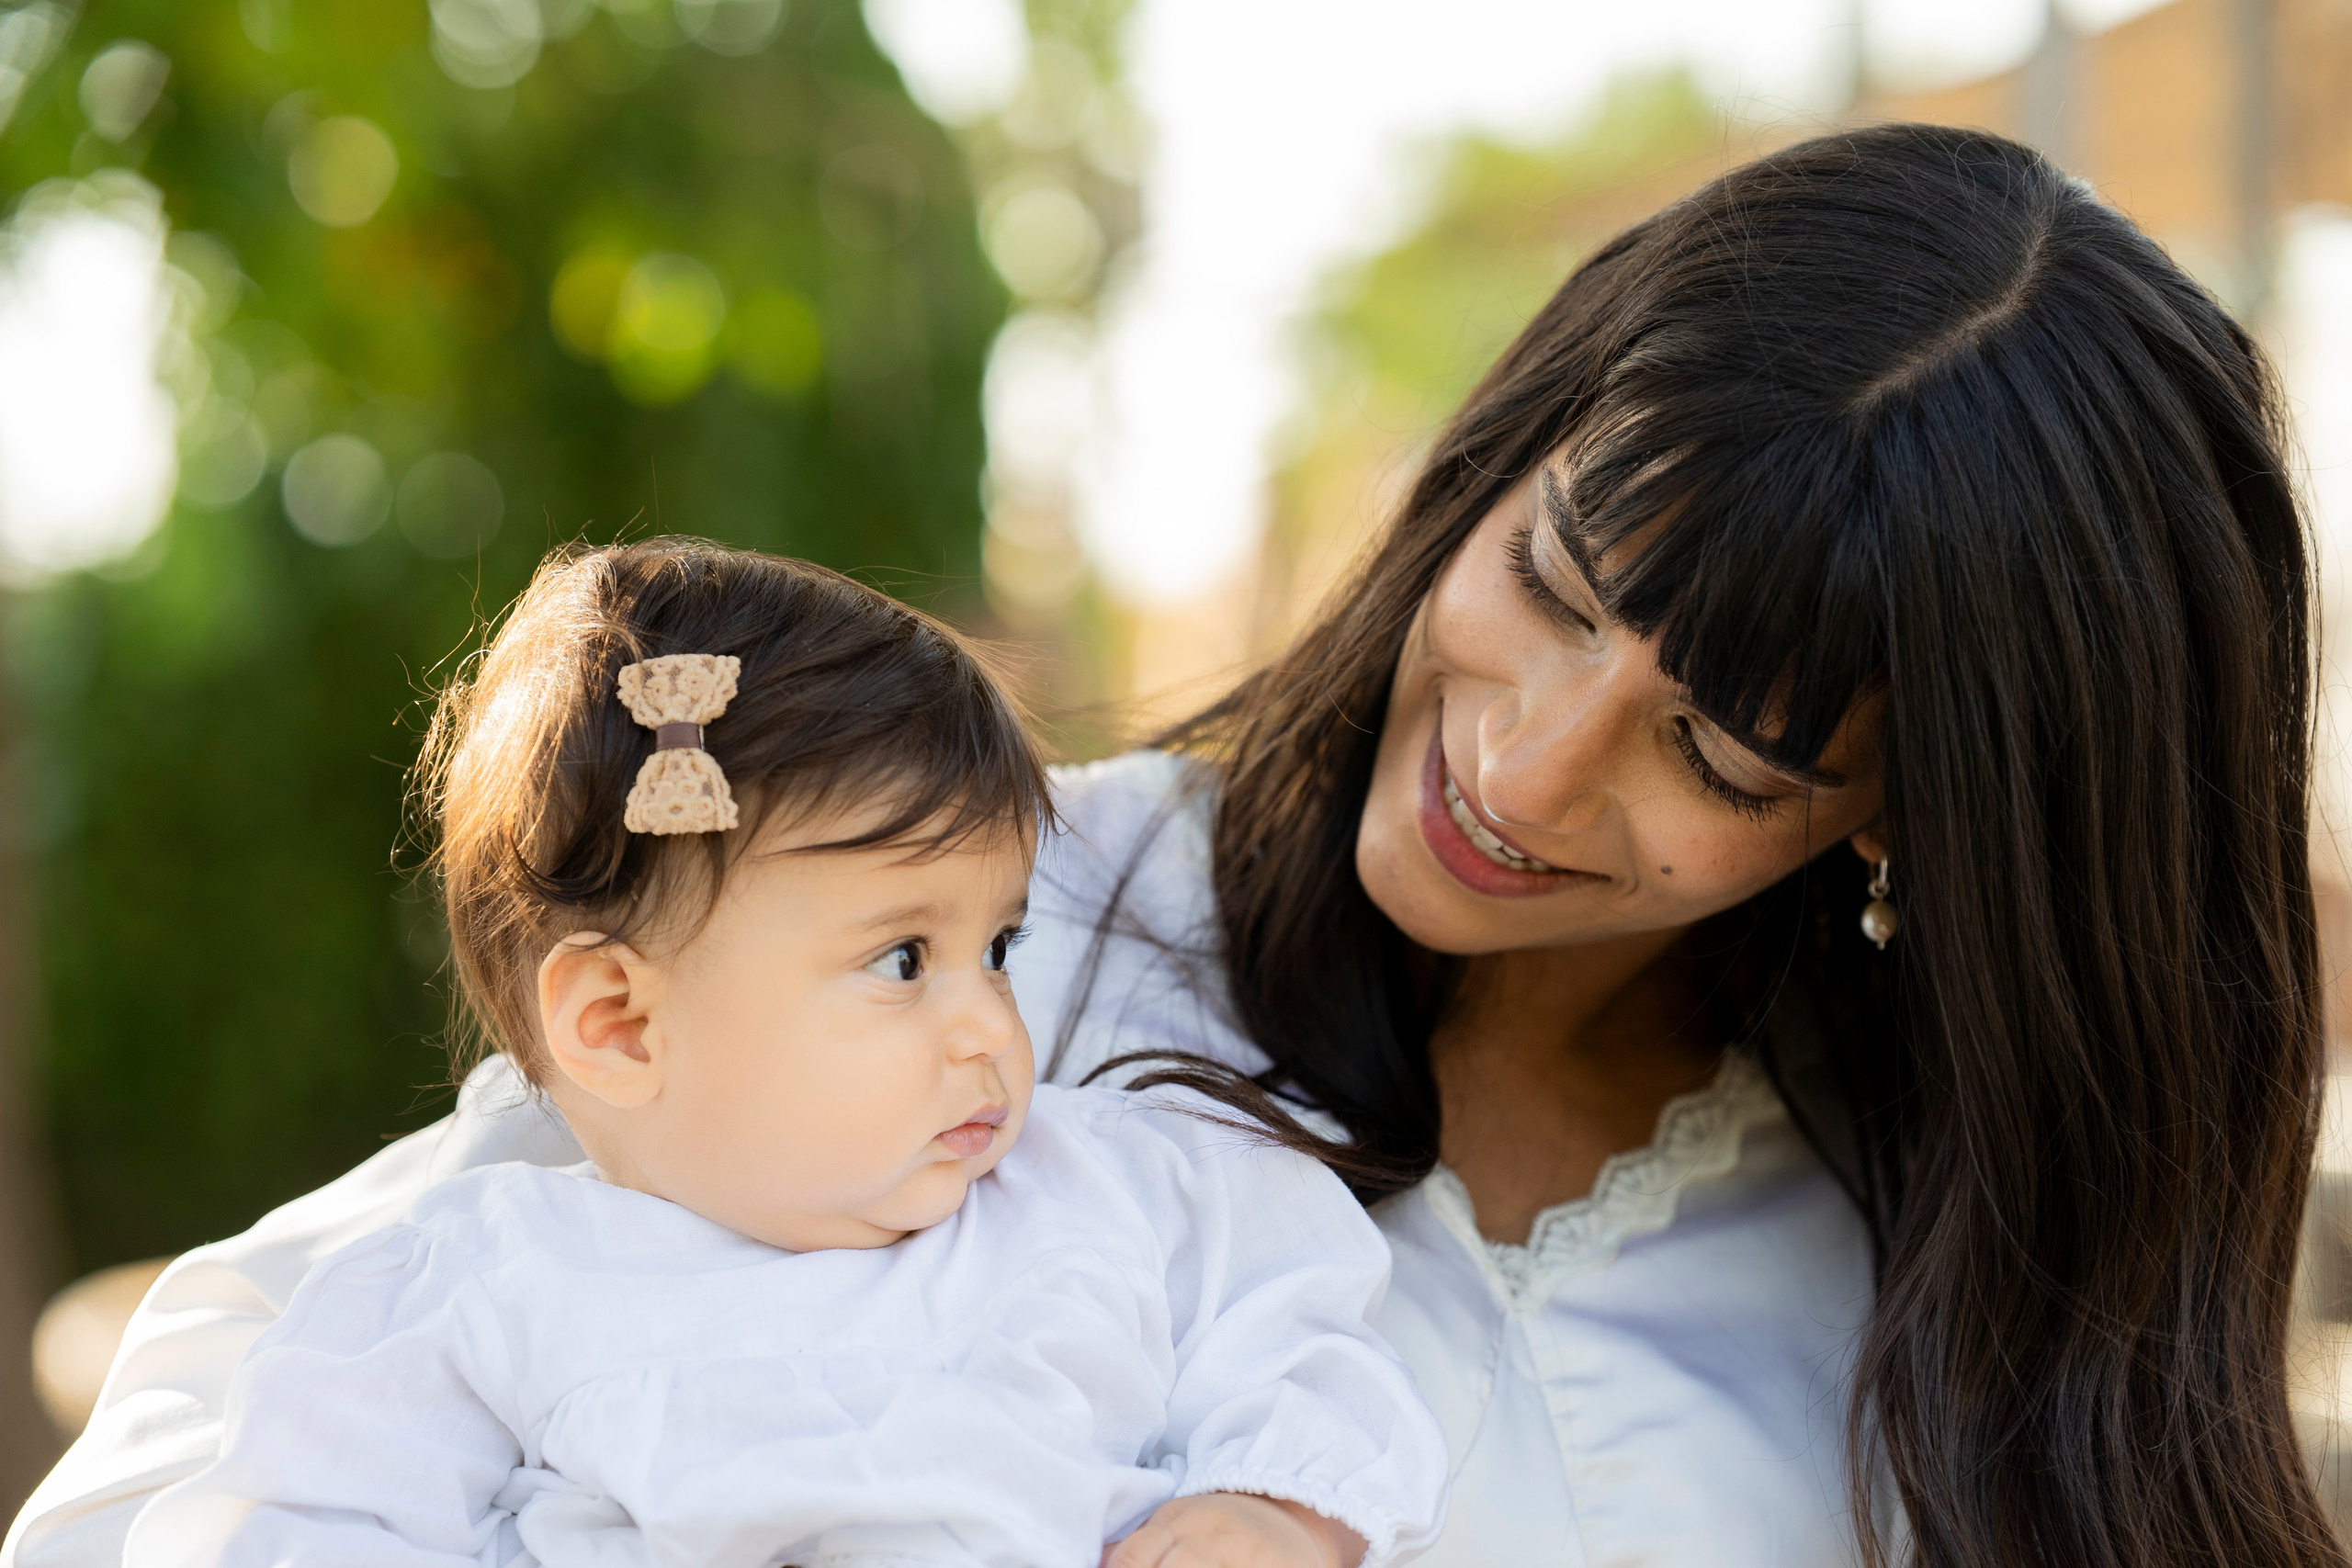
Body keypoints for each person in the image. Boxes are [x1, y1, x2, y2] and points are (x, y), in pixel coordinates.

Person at [6, 120, 2339, 1567]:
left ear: (1920, 815)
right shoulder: (987, 939)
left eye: (1715, 751)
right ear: (1499, 450)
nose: (1526, 768)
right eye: (1548, 581)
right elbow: (230, 1429)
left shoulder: (1947, 1265)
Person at [117, 544, 1448, 1568]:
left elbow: (1302, 1320)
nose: (992, 1022)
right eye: (902, 961)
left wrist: (1272, 1508)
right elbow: (304, 1525)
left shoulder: (1111, 1187)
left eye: (1000, 945)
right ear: (620, 1025)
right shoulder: (488, 1285)